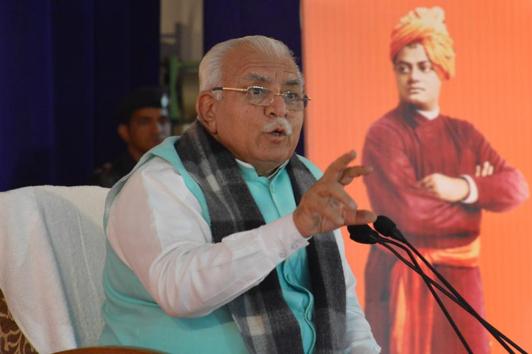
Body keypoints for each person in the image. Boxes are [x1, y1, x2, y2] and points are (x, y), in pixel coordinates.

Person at [99, 35, 381, 354]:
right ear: (209, 109)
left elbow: (345, 305)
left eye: (291, 94)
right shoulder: (163, 180)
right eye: (257, 91)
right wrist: (294, 228)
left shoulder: (308, 179)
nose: (279, 109)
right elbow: (179, 291)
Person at [362, 7, 529, 354]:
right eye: (403, 68)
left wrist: (463, 187)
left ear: (441, 70)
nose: (413, 77)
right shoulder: (383, 135)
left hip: (461, 282)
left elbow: (516, 188)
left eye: (424, 67)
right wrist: (476, 209)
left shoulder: (465, 134)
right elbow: (408, 216)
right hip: (402, 276)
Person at [90, 86, 171, 187]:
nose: (157, 130)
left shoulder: (180, 174)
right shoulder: (109, 181)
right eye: (144, 122)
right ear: (124, 132)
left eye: (163, 121)